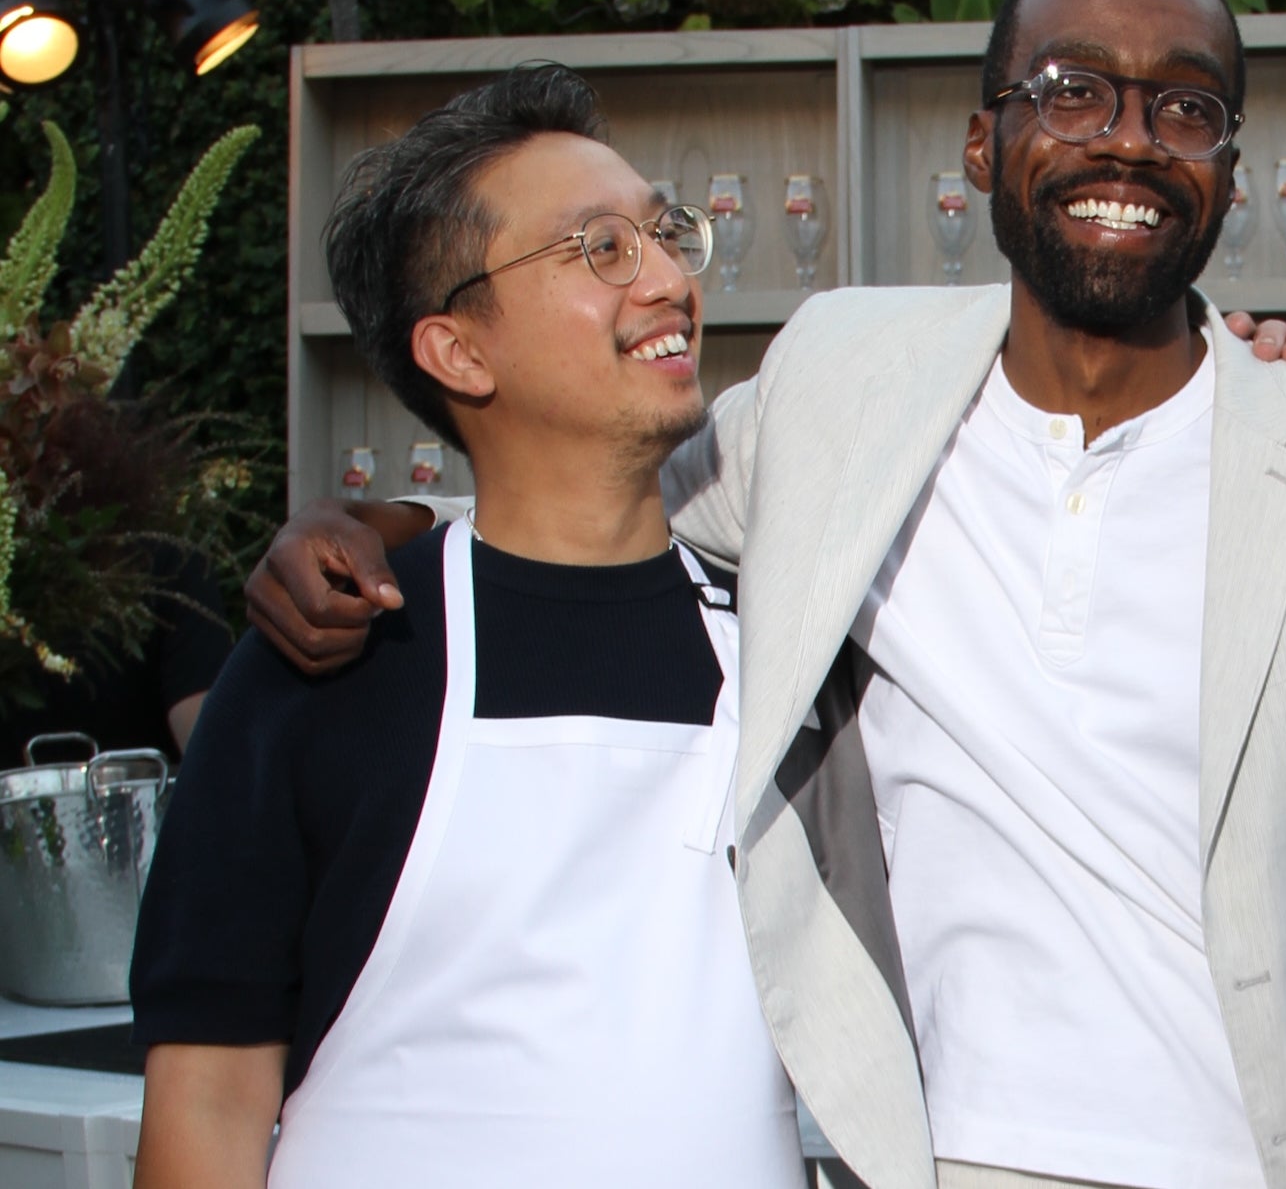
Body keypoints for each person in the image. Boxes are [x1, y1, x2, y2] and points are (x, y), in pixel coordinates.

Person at [247, 0, 1286, 1189]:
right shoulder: (841, 375)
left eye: (1184, 106)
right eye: (1070, 90)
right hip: (918, 1160)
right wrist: (381, 525)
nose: (1126, 140)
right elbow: (591, 494)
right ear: (977, 146)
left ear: (1227, 170)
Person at [129, 69, 807, 1188]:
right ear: (458, 351)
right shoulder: (333, 650)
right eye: (598, 247)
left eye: (662, 230)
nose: (669, 277)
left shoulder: (784, 639)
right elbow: (207, 1097)